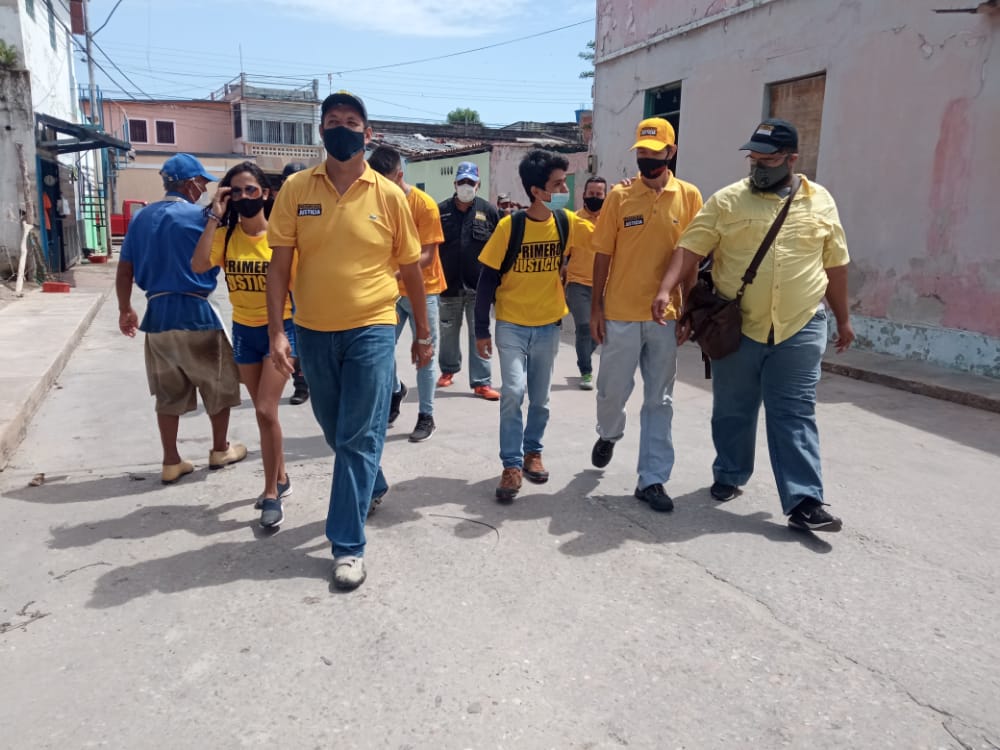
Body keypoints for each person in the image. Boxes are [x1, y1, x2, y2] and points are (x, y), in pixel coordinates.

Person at [652, 118, 853, 532]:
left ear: (792, 159)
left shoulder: (821, 202)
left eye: (768, 159)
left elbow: (835, 263)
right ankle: (730, 471)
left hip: (801, 324)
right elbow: (690, 247)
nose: (758, 166)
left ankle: (804, 500)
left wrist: (844, 318)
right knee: (733, 408)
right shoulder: (728, 201)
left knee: (794, 410)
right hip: (737, 326)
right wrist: (666, 290)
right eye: (753, 158)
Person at [266, 91, 432, 591]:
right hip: (313, 329)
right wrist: (277, 330)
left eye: (352, 122)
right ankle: (372, 481)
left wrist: (423, 334)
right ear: (321, 131)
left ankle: (347, 545)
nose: (343, 128)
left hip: (373, 326)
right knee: (336, 430)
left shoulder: (389, 195)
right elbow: (279, 266)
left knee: (357, 436)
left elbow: (411, 270)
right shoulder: (296, 188)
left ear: (368, 132)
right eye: (333, 121)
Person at [589, 118, 704, 513]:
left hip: (665, 318)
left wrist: (688, 309)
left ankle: (652, 479)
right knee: (611, 391)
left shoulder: (689, 197)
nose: (646, 160)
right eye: (641, 152)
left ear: (671, 152)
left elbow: (692, 257)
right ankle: (609, 432)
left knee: (660, 399)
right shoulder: (619, 197)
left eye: (654, 153)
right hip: (620, 312)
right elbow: (602, 254)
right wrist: (596, 307)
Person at [117, 153, 246, 485]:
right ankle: (220, 449)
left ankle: (171, 460)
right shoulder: (202, 216)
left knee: (168, 394)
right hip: (197, 313)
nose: (204, 189)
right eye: (201, 183)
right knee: (217, 385)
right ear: (190, 184)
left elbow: (125, 269)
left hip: (157, 317)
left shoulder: (141, 219)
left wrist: (125, 309)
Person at [475, 150, 593, 501]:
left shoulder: (566, 223)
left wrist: (622, 200)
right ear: (536, 191)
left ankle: (533, 453)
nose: (564, 190)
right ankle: (511, 465)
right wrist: (481, 330)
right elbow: (487, 280)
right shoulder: (510, 227)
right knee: (513, 391)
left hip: (548, 326)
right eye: (557, 185)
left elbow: (607, 236)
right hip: (511, 324)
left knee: (540, 399)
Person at [191, 161, 293, 528]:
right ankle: (281, 476)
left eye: (251, 189)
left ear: (265, 193)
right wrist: (214, 217)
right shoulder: (227, 235)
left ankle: (270, 493)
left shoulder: (281, 236)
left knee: (265, 409)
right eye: (236, 191)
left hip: (280, 330)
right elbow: (199, 264)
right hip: (244, 331)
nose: (244, 196)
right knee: (266, 415)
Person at [368, 145, 445, 442]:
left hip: (424, 290)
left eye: (385, 182)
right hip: (389, 291)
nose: (380, 189)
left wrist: (395, 273)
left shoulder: (424, 206)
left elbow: (426, 256)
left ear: (399, 175)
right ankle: (395, 390)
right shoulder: (375, 204)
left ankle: (427, 415)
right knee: (380, 351)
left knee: (425, 354)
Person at [436, 161, 501, 400]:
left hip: (479, 286)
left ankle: (482, 382)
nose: (466, 186)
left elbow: (499, 247)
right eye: (462, 181)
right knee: (448, 333)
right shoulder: (440, 211)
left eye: (470, 182)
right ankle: (448, 370)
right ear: (455, 183)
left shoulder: (489, 211)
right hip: (448, 284)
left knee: (479, 333)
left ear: (478, 184)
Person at [269, 161, 311, 406]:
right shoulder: (276, 208)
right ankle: (301, 384)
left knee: (309, 337)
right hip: (286, 285)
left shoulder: (315, 206)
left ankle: (309, 381)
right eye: (286, 181)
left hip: (311, 286)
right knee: (291, 336)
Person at [562, 175, 607, 390]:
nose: (594, 197)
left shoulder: (611, 221)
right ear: (583, 195)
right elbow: (563, 255)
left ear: (605, 196)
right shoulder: (574, 221)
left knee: (601, 330)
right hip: (578, 283)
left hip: (606, 285)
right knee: (583, 326)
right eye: (591, 193)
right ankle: (586, 371)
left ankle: (584, 356)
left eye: (599, 194)